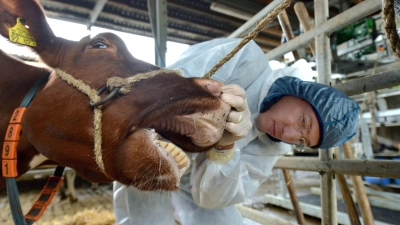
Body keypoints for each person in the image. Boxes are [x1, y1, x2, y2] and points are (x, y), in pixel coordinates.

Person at [113, 38, 360, 225]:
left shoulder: (269, 150)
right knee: (146, 212)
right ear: (298, 92)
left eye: (302, 139)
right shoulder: (246, 59)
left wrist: (224, 148)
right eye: (303, 121)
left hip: (194, 184)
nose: (290, 134)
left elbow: (213, 199)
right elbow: (167, 87)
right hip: (153, 140)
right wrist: (213, 106)